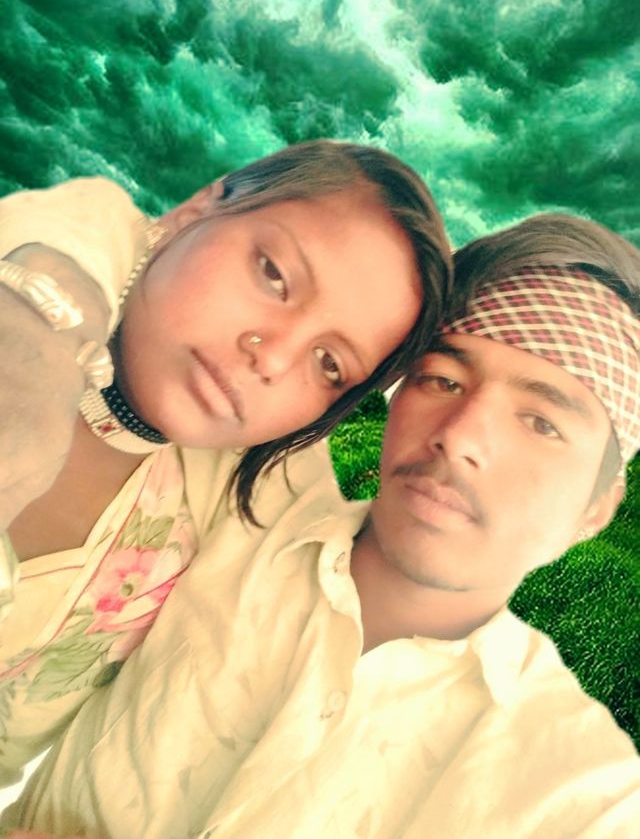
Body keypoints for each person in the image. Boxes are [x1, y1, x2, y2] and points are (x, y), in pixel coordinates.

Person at [4, 212, 638, 838]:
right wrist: (37, 333)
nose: (461, 435)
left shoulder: (585, 795)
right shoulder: (248, 491)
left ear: (597, 510)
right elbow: (130, 230)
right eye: (442, 380)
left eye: (541, 423)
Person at [0, 140, 452, 788]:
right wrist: (43, 312)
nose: (273, 357)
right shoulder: (52, 262)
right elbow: (79, 234)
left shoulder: (231, 502)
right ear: (193, 211)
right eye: (273, 274)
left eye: (329, 364)